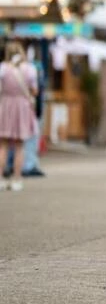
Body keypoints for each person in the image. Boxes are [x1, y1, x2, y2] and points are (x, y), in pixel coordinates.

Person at [0, 41, 39, 192]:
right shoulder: (29, 69)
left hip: (5, 106)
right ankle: (16, 179)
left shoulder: (2, 68)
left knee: (2, 145)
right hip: (22, 107)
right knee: (19, 146)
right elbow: (34, 91)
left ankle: (1, 179)